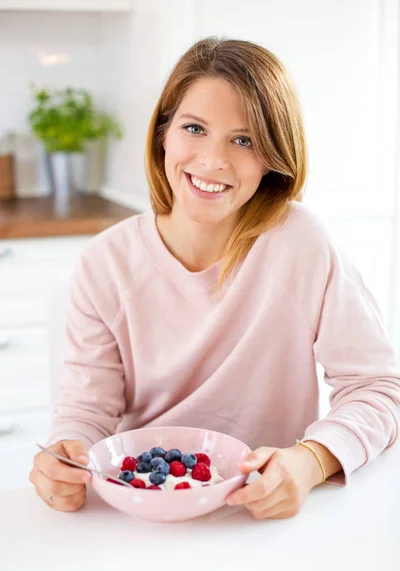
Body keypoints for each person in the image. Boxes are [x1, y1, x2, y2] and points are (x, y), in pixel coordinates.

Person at [29, 37, 400, 520]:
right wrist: (65, 457)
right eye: (194, 128)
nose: (213, 160)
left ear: (273, 156)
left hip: (267, 516)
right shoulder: (106, 262)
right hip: (145, 516)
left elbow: (378, 390)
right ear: (163, 133)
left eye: (243, 140)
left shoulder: (300, 243)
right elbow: (86, 413)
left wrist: (308, 462)